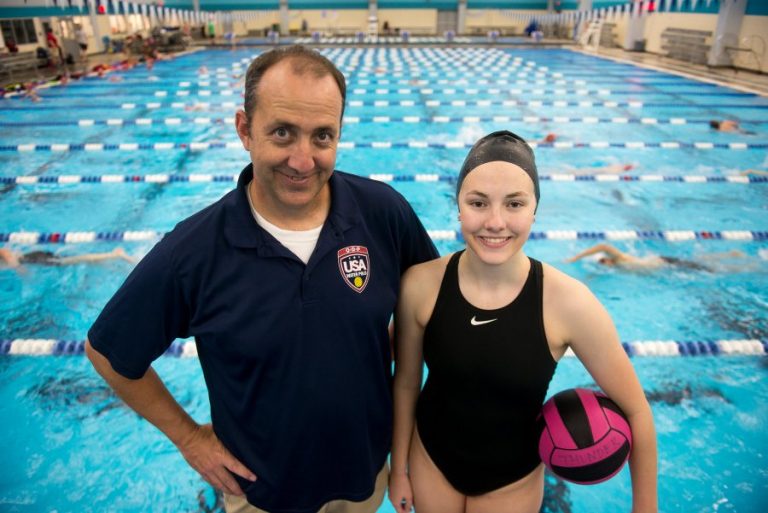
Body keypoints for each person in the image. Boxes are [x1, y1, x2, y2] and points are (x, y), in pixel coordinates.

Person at [85, 45, 438, 513]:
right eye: (282, 133)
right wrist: (189, 438)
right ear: (244, 130)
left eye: (322, 136)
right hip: (260, 496)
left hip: (365, 478)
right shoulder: (194, 251)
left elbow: (435, 304)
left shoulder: (382, 213)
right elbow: (107, 352)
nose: (303, 160)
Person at [389, 131, 657, 513]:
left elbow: (637, 411)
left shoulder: (569, 303)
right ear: (458, 207)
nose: (495, 222)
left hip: (512, 481)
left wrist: (645, 508)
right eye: (478, 203)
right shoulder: (420, 285)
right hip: (429, 462)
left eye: (514, 204)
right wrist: (398, 469)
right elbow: (406, 384)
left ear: (534, 211)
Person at [567, 243, 745, 272]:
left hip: (665, 262)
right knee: (699, 261)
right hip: (665, 265)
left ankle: (732, 258)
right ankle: (729, 255)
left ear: (607, 259)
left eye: (602, 261)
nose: (604, 264)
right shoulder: (618, 267)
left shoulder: (620, 259)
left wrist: (576, 257)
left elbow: (603, 246)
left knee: (708, 268)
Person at [0, 247, 135, 269]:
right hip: (33, 259)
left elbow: (5, 252)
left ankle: (115, 254)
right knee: (74, 260)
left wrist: (17, 267)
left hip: (34, 258)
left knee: (74, 260)